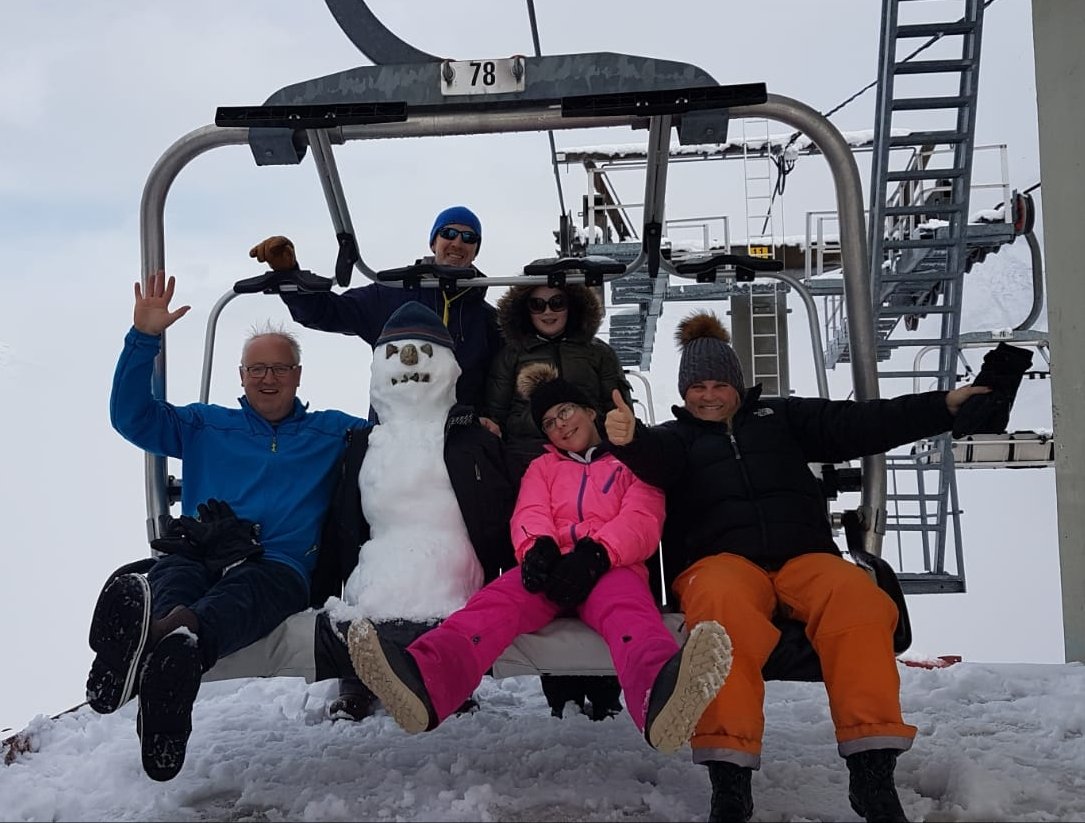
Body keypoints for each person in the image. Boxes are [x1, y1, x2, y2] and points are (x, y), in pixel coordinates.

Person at [603, 310, 994, 823]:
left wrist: (943, 406)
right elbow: (652, 459)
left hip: (805, 556)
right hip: (719, 563)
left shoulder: (784, 418)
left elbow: (864, 423)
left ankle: (872, 769)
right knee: (721, 619)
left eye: (720, 383)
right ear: (683, 391)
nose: (709, 395)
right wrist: (628, 439)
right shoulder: (673, 440)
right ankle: (730, 779)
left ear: (739, 385)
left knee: (858, 601)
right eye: (696, 386)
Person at [344, 364, 734, 756]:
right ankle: (426, 681)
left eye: (565, 412)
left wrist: (597, 553)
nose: (560, 426)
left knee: (629, 615)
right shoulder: (544, 467)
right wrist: (537, 550)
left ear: (590, 411)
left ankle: (659, 695)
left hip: (612, 567)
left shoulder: (631, 462)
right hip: (551, 568)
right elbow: (529, 513)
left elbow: (641, 519)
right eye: (549, 422)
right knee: (493, 606)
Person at [86, 271, 367, 782]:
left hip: (276, 563)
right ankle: (169, 641)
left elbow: (402, 435)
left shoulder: (334, 432)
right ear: (240, 375)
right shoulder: (204, 426)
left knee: (244, 594)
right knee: (177, 576)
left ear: (298, 375)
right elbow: (131, 417)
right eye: (257, 368)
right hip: (200, 549)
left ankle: (162, 638)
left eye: (279, 369)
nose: (268, 378)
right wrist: (143, 337)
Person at [311, 301, 518, 720]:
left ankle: (420, 679)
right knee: (366, 604)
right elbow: (344, 519)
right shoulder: (363, 442)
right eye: (395, 354)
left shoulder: (470, 437)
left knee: (445, 606)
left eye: (424, 354)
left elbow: (497, 507)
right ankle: (373, 678)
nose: (408, 363)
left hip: (451, 558)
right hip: (382, 556)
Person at [485, 282, 633, 721]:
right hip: (533, 466)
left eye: (557, 302)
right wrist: (518, 429)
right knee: (544, 569)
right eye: (537, 304)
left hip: (593, 468)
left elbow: (619, 403)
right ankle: (561, 687)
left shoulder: (597, 353)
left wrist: (612, 437)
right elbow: (495, 410)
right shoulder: (513, 354)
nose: (548, 311)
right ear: (524, 310)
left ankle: (605, 686)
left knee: (598, 569)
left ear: (572, 307)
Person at [249, 205, 502, 427]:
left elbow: (500, 385)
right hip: (394, 441)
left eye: (469, 237)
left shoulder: (488, 320)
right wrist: (289, 272)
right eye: (448, 233)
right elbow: (325, 312)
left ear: (475, 251)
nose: (458, 243)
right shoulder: (392, 294)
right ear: (433, 242)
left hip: (462, 441)